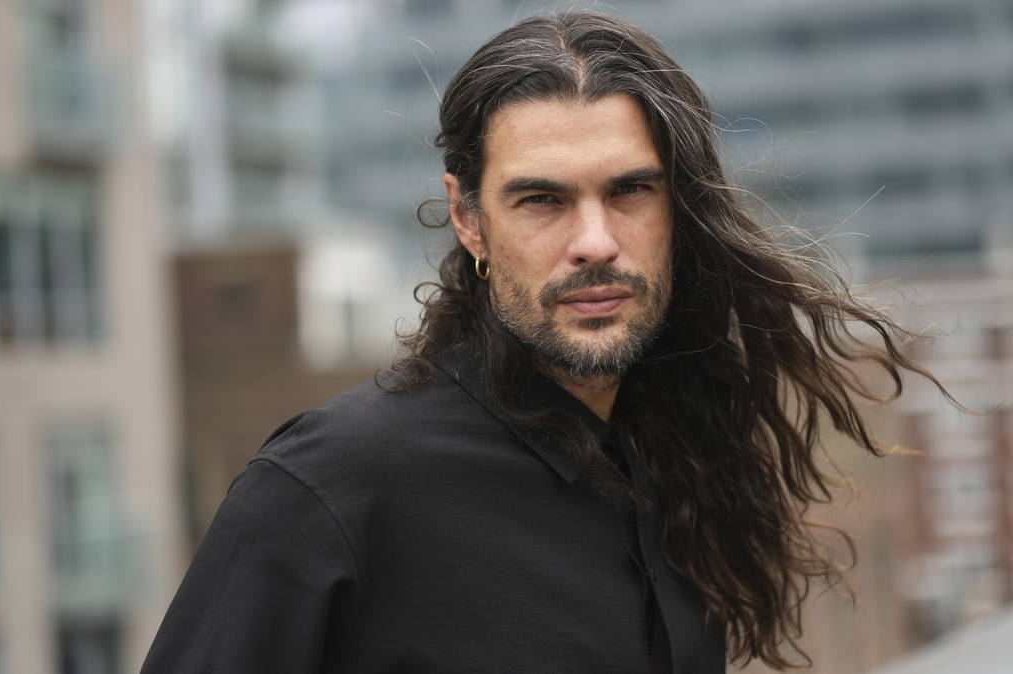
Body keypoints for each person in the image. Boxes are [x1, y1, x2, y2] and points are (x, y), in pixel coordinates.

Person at [143, 10, 945, 673]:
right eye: (541, 200)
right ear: (468, 218)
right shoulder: (332, 484)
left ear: (679, 211)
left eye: (630, 190)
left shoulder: (674, 449)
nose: (595, 241)